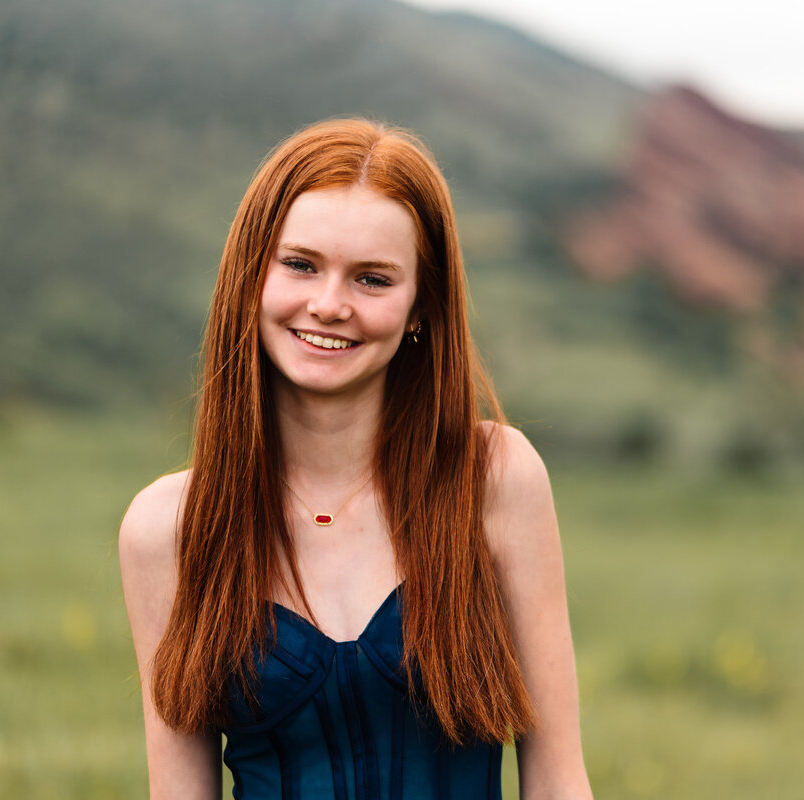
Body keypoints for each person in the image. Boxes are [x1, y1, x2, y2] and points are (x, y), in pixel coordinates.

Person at [119, 119, 592, 799]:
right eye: (301, 264)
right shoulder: (167, 528)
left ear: (419, 307)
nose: (329, 304)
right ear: (252, 275)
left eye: (372, 279)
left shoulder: (495, 480)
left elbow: (558, 782)